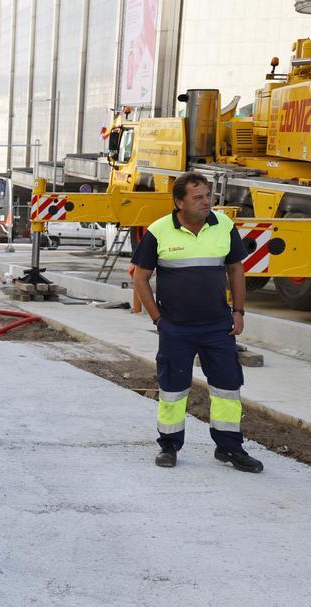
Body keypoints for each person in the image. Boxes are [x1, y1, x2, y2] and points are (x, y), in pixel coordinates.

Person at [131, 172, 263, 473]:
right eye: (198, 197)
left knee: (228, 388)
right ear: (180, 202)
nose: (207, 202)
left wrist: (239, 311)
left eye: (208, 196)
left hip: (218, 326)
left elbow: (236, 270)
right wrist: (158, 319)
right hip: (176, 327)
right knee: (173, 389)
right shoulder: (159, 231)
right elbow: (140, 277)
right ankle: (169, 445)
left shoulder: (224, 226)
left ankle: (230, 448)